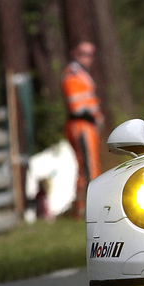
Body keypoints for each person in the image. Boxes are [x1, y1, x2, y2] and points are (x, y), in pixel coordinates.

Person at [61, 41, 104, 218]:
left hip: (88, 125)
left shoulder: (82, 75)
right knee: (87, 167)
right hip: (80, 124)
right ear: (75, 53)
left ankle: (85, 206)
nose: (88, 58)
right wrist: (93, 117)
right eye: (84, 53)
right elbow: (76, 106)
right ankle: (84, 208)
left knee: (90, 165)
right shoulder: (73, 75)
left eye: (91, 54)